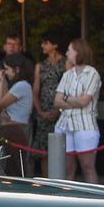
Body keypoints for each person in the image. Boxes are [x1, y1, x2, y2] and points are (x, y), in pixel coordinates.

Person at [53, 38, 102, 184]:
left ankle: (92, 202)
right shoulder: (67, 74)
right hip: (64, 125)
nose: (67, 53)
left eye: (69, 50)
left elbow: (84, 101)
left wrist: (66, 98)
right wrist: (73, 99)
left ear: (78, 52)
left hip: (85, 126)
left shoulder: (92, 73)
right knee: (67, 170)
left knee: (87, 167)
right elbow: (57, 101)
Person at [0, 53, 34, 176]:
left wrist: (0, 82)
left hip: (15, 130)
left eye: (8, 69)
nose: (6, 73)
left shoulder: (21, 85)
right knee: (14, 166)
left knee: (14, 167)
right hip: (15, 129)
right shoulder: (21, 85)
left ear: (17, 69)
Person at [31, 33, 66, 177]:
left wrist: (59, 110)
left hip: (62, 112)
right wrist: (40, 111)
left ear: (55, 44)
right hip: (44, 111)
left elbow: (69, 88)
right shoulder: (40, 65)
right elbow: (35, 91)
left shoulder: (66, 63)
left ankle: (61, 180)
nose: (42, 46)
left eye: (46, 43)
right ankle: (47, 180)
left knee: (61, 148)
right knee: (44, 150)